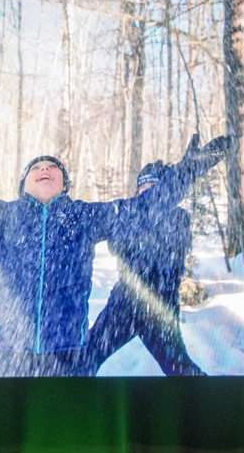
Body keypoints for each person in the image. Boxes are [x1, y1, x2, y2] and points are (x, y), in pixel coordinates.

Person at [0, 133, 230, 377]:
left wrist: (189, 169)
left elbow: (144, 208)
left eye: (53, 168)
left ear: (65, 185)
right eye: (36, 167)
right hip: (7, 359)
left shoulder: (83, 218)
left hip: (66, 360)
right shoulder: (1, 218)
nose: (45, 169)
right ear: (22, 182)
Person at [84, 159, 211, 376]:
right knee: (86, 358)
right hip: (124, 304)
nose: (147, 196)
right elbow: (116, 245)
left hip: (159, 308)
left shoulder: (178, 218)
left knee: (180, 369)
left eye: (153, 190)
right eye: (142, 190)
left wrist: (140, 233)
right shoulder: (129, 215)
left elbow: (167, 255)